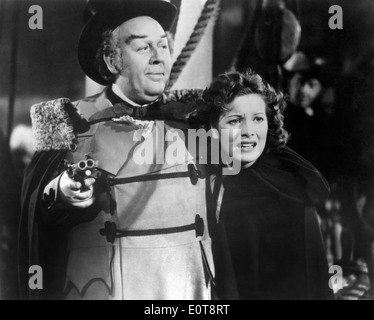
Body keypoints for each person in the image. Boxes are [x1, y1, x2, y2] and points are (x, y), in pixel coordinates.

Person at [19, 0, 214, 300]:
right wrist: (62, 191)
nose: (159, 58)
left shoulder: (194, 117)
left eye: (163, 46)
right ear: (112, 61)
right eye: (143, 48)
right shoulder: (66, 121)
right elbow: (36, 210)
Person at [200, 70, 334, 300]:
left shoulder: (289, 186)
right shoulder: (209, 179)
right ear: (213, 130)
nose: (248, 132)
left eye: (258, 119)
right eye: (235, 121)